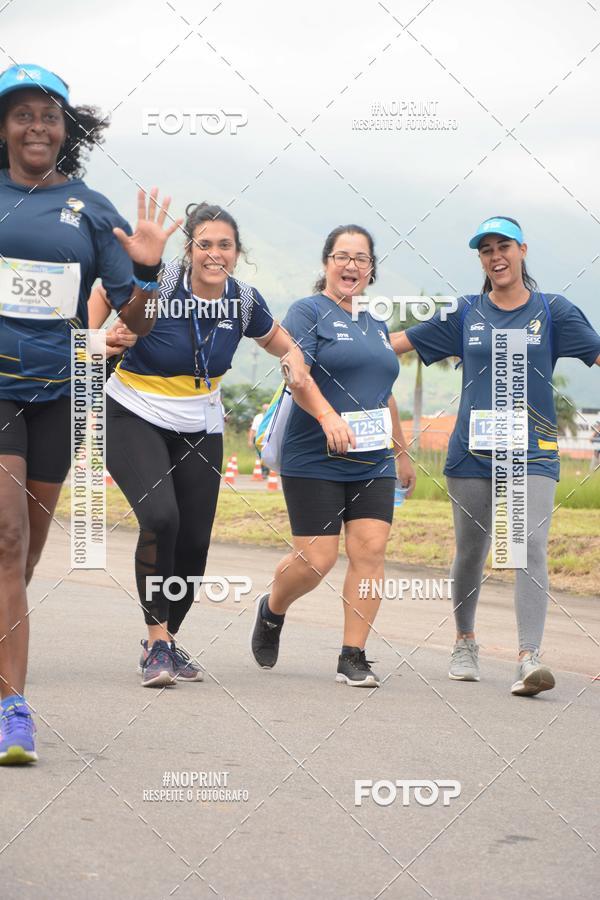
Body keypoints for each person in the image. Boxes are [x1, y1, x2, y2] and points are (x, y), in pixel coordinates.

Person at [0, 62, 178, 764]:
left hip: (63, 394)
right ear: (3, 127)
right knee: (7, 538)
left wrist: (149, 272)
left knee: (25, 554)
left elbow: (136, 320)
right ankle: (14, 710)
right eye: (22, 113)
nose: (36, 126)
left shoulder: (92, 209)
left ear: (66, 129)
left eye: (49, 115)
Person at [390, 216, 600, 696]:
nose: (495, 256)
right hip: (472, 453)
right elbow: (396, 346)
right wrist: (331, 358)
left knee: (527, 544)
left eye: (503, 245)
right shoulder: (465, 312)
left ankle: (529, 658)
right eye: (486, 250)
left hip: (533, 451)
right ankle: (465, 641)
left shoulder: (554, 311)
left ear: (522, 250)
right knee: (472, 550)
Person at [104, 202, 307, 687]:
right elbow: (112, 309)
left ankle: (168, 639)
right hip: (133, 411)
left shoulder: (244, 300)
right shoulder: (162, 286)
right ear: (189, 249)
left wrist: (296, 359)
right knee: (161, 519)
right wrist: (104, 337)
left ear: (238, 253)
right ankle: (156, 643)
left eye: (225, 245)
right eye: (205, 244)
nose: (215, 254)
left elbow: (281, 341)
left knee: (194, 543)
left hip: (200, 423)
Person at [250, 224, 415, 687]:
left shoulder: (375, 322)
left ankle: (353, 654)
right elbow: (295, 373)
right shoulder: (308, 312)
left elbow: (383, 392)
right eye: (342, 256)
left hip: (372, 458)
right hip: (314, 454)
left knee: (371, 551)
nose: (351, 265)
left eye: (361, 258)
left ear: (371, 269)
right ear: (327, 263)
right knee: (316, 560)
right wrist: (327, 418)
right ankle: (272, 609)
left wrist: (402, 452)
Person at [248, 402, 269, 477]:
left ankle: (266, 470)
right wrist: (250, 440)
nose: (265, 410)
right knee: (260, 455)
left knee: (267, 455)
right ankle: (264, 471)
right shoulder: (258, 417)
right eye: (264, 409)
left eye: (267, 409)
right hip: (258, 438)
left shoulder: (271, 416)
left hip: (267, 439)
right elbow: (253, 429)